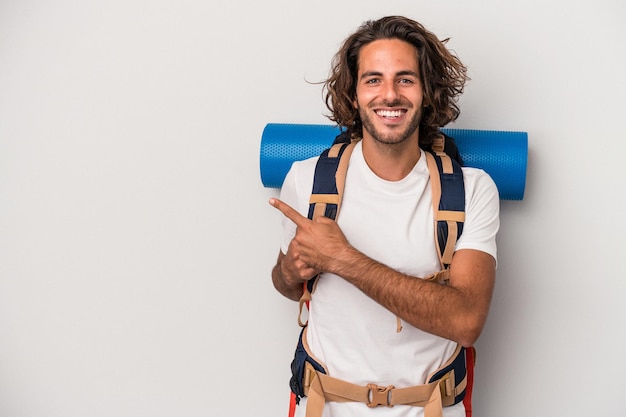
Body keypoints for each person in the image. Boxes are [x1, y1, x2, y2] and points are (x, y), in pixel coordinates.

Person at [269, 15, 499, 417]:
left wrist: (342, 258)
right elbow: (288, 285)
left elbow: (466, 321)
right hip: (323, 406)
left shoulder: (472, 189)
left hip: (431, 408)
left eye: (405, 79)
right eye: (373, 79)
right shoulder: (306, 180)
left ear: (427, 92)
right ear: (354, 94)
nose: (389, 95)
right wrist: (290, 271)